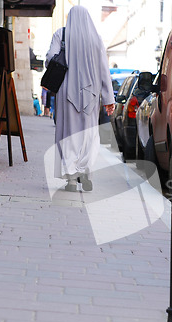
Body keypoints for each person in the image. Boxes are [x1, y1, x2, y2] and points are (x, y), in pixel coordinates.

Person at [45, 5, 115, 192]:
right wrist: (109, 98)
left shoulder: (61, 35)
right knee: (89, 135)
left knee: (69, 135)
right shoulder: (96, 38)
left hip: (67, 93)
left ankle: (71, 179)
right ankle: (86, 172)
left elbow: (49, 59)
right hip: (91, 94)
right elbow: (103, 70)